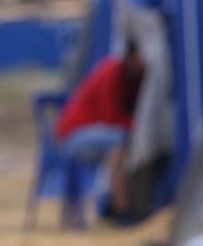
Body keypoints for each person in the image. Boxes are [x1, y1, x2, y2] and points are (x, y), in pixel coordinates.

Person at [55, 42, 145, 223]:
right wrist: (140, 125)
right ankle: (120, 206)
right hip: (73, 135)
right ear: (132, 56)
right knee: (118, 140)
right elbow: (109, 117)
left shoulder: (130, 78)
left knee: (119, 145)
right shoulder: (111, 73)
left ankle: (118, 204)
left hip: (91, 134)